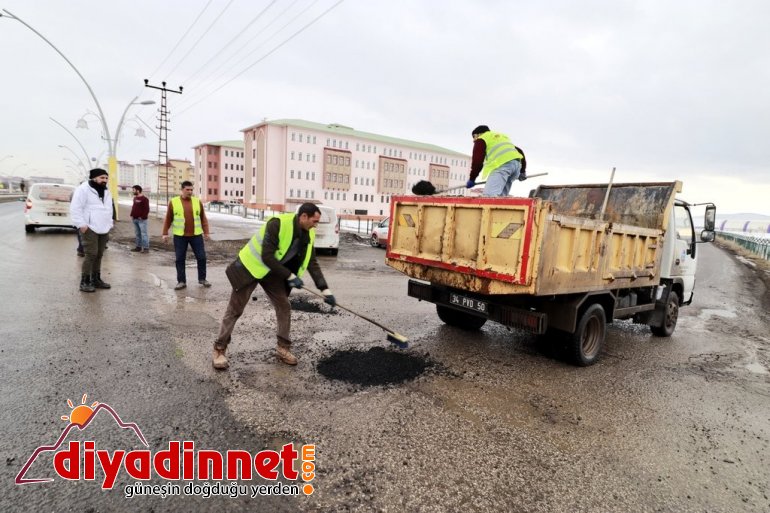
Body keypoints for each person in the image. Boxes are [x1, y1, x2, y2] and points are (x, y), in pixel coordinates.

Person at [212, 202, 336, 369]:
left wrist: (325, 289)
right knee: (235, 309)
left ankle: (283, 348)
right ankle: (219, 349)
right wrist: (290, 276)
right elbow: (267, 257)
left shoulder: (309, 234)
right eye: (315, 221)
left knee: (284, 305)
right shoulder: (278, 224)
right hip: (252, 267)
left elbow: (312, 263)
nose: (316, 225)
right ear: (304, 216)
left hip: (273, 272)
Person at [70, 168, 114, 292]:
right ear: (94, 178)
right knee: (91, 254)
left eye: (106, 178)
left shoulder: (106, 191)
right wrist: (81, 225)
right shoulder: (83, 190)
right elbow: (75, 208)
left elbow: (109, 208)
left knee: (99, 254)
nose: (104, 180)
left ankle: (96, 279)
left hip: (104, 227)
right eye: (102, 178)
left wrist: (110, 223)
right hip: (89, 227)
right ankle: (85, 281)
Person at [161, 181, 211, 290]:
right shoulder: (174, 202)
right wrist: (165, 233)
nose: (190, 192)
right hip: (180, 236)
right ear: (182, 190)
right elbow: (168, 219)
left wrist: (206, 232)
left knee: (202, 257)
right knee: (180, 259)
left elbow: (203, 218)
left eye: (191, 189)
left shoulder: (197, 202)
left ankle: (202, 278)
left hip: (196, 235)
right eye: (187, 189)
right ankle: (181, 281)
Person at [466, 125, 526, 197]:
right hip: (516, 166)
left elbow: (477, 162)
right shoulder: (501, 137)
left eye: (474, 137)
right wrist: (522, 171)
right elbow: (520, 151)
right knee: (500, 198)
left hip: (502, 167)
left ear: (478, 134)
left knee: (489, 196)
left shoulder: (481, 139)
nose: (473, 140)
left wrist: (472, 179)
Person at [130, 185, 150, 253]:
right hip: (135, 219)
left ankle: (146, 248)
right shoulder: (135, 198)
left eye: (133, 190)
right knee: (137, 234)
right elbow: (134, 207)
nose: (133, 191)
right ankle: (138, 247)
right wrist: (132, 215)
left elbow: (146, 209)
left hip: (142, 220)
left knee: (144, 234)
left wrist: (142, 217)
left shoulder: (145, 199)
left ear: (138, 190)